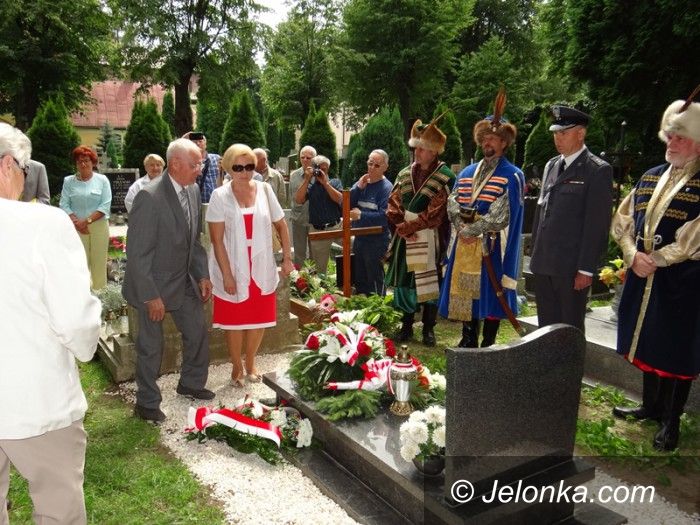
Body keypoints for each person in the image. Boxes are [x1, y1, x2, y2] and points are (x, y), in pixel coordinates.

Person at [0, 123, 102, 524]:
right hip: (36, 401)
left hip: (30, 399)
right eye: (25, 172)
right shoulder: (42, 224)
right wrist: (87, 344)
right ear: (8, 165)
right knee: (59, 511)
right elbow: (75, 322)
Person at [610, 93, 700, 451]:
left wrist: (658, 260)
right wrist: (632, 254)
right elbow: (623, 219)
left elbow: (694, 237)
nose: (671, 143)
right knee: (646, 338)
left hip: (684, 282)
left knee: (676, 348)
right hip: (642, 272)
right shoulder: (650, 176)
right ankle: (650, 406)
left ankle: (671, 421)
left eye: (680, 138)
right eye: (670, 136)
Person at [123, 138, 214, 423]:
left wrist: (202, 274)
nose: (200, 169)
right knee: (151, 347)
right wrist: (151, 296)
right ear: (175, 164)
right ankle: (147, 403)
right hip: (153, 284)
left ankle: (191, 383)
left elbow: (193, 241)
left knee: (197, 331)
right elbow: (137, 254)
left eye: (200, 163)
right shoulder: (149, 197)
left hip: (183, 279)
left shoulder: (193, 189)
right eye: (195, 164)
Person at [439, 94, 525, 347]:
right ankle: (468, 339)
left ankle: (488, 344)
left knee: (491, 294)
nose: (488, 142)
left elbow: (505, 213)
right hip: (465, 245)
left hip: (492, 248)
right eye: (484, 137)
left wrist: (474, 229)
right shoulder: (466, 172)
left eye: (493, 138)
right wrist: (460, 226)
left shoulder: (513, 175)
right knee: (467, 293)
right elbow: (453, 201)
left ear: (504, 143)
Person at [207, 144, 294, 387]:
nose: (245, 172)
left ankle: (251, 362)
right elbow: (216, 240)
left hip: (260, 263)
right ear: (229, 168)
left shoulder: (265, 190)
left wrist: (287, 258)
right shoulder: (219, 196)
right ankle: (236, 365)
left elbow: (281, 225)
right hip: (232, 263)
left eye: (249, 166)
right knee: (234, 320)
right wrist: (227, 275)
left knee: (258, 317)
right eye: (238, 167)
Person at [529, 106, 613, 333]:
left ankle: (569, 360)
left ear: (581, 133)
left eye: (564, 133)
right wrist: (535, 253)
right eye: (555, 133)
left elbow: (597, 224)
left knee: (569, 330)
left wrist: (586, 269)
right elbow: (542, 210)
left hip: (570, 267)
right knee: (546, 330)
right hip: (544, 263)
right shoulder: (552, 165)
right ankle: (549, 359)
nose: (558, 138)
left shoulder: (596, 170)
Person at [385, 118, 456, 346]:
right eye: (416, 147)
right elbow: (393, 202)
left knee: (428, 283)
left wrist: (409, 227)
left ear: (434, 151)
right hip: (405, 237)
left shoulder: (445, 176)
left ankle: (428, 328)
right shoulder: (404, 173)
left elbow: (438, 212)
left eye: (422, 148)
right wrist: (401, 226)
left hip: (430, 237)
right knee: (406, 281)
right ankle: (406, 326)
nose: (417, 152)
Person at [59, 145, 113, 290]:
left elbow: (105, 205)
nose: (83, 164)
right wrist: (77, 223)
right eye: (79, 161)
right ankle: (81, 295)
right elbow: (64, 204)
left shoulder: (102, 180)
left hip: (98, 226)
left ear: (93, 162)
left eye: (86, 161)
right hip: (76, 228)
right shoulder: (68, 181)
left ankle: (100, 296)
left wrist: (86, 221)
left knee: (99, 263)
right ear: (76, 164)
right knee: (79, 263)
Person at [349, 149, 393, 295]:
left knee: (374, 277)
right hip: (359, 238)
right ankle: (362, 304)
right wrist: (357, 188)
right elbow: (346, 205)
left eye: (377, 165)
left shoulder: (387, 188)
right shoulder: (362, 183)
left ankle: (377, 305)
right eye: (370, 163)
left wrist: (361, 215)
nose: (372, 168)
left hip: (376, 240)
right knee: (360, 277)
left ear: (385, 167)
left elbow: (385, 216)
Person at [294, 154, 343, 274]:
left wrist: (326, 184)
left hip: (336, 226)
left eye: (324, 169)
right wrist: (307, 179)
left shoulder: (335, 182)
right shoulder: (310, 186)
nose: (321, 172)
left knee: (355, 245)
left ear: (328, 169)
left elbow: (339, 199)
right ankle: (324, 285)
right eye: (318, 169)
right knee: (320, 270)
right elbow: (298, 200)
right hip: (318, 230)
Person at [289, 145, 316, 267]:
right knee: (299, 253)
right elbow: (292, 197)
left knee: (314, 253)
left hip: (315, 220)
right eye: (302, 157)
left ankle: (314, 277)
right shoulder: (294, 175)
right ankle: (300, 277)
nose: (305, 160)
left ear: (314, 159)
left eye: (308, 157)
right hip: (298, 219)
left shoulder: (319, 174)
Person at [184, 131, 220, 203]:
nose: (198, 143)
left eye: (200, 141)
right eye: (194, 142)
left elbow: (227, 178)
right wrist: (183, 140)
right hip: (196, 203)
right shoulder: (187, 162)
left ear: (205, 144)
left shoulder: (216, 159)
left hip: (216, 203)